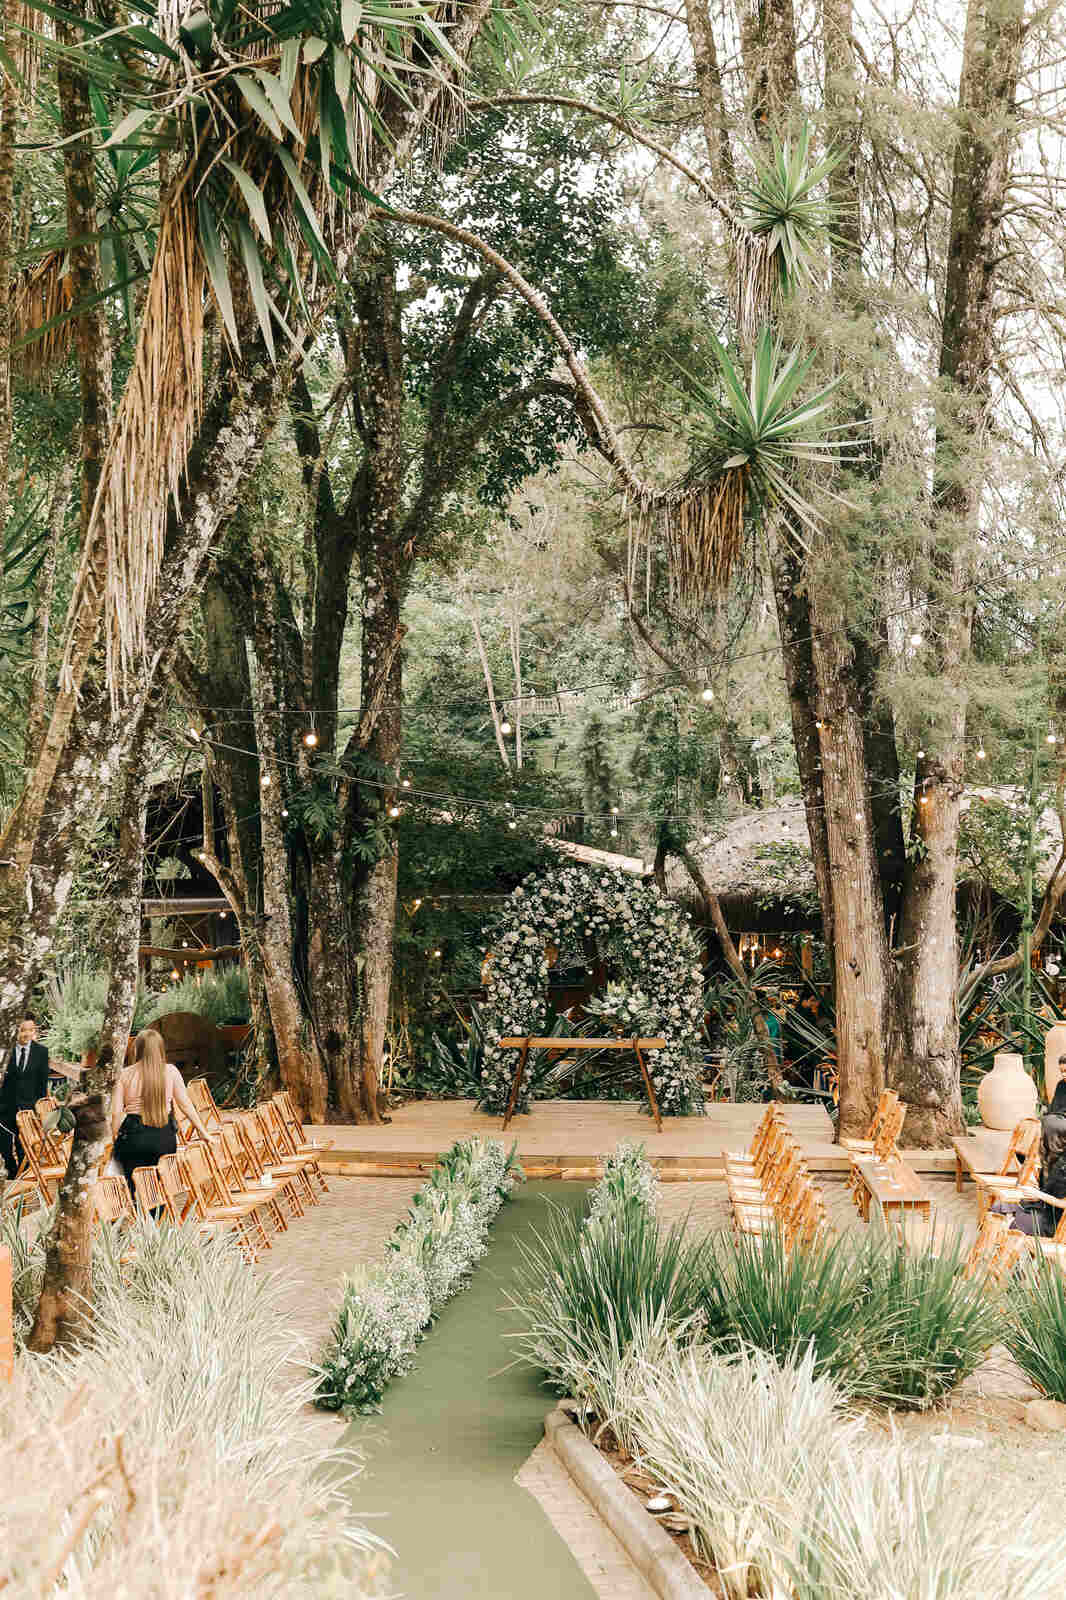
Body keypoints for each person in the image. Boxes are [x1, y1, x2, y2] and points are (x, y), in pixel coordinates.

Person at [111, 1028, 210, 1195]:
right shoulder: (170, 1071)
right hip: (164, 1138)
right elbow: (186, 1105)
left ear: (137, 1049)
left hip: (134, 1138)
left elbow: (116, 1114)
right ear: (160, 1049)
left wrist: (114, 1138)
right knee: (158, 1189)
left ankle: (138, 1216)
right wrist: (203, 1132)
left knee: (134, 1188)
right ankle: (157, 1219)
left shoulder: (123, 1075)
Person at [997, 1065, 1066, 1237]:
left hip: (1054, 1221)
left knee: (1014, 1224)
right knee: (999, 1208)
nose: (1063, 1075)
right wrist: (1038, 1191)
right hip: (1042, 1207)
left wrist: (1039, 1195)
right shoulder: (1052, 1160)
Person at [0, 1014, 50, 1177]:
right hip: (5, 1107)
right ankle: (11, 1171)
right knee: (4, 1145)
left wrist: (40, 1110)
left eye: (31, 1030)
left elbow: (42, 1084)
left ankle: (25, 1177)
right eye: (23, 1030)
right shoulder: (5, 1051)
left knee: (25, 1146)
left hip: (29, 1108)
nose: (27, 1034)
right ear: (16, 1030)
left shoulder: (42, 1052)